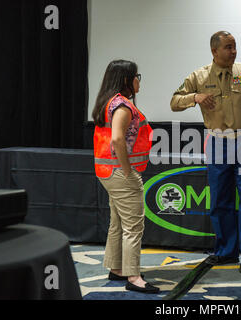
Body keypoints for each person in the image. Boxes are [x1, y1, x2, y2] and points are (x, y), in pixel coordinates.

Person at [170, 31, 241, 274]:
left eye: (235, 47)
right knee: (220, 199)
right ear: (214, 51)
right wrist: (195, 97)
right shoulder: (198, 76)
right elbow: (174, 102)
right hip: (217, 141)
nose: (233, 51)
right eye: (228, 47)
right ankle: (226, 251)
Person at [92, 60, 159, 293]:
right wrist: (128, 170)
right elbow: (118, 140)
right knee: (133, 225)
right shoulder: (122, 106)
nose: (138, 80)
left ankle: (117, 268)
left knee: (118, 222)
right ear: (126, 80)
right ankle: (134, 277)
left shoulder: (110, 102)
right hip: (120, 173)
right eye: (136, 75)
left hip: (108, 172)